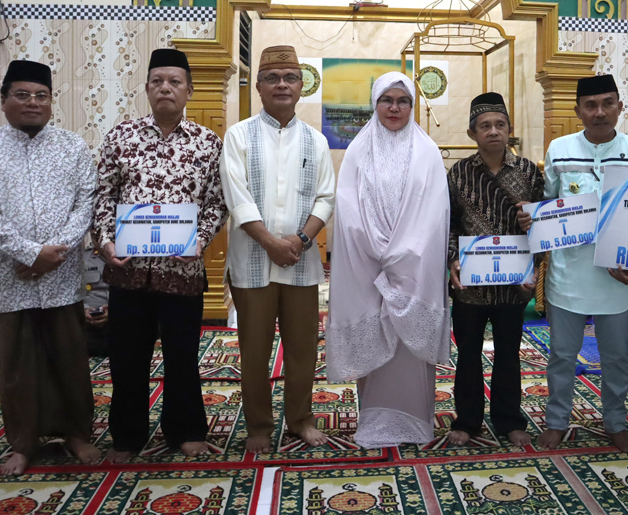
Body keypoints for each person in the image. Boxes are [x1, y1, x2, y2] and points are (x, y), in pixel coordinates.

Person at [0, 59, 99, 475]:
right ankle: (22, 443)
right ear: (3, 101)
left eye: (42, 95)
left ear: (52, 102)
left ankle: (77, 434)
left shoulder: (73, 147)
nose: (33, 103)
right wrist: (29, 253)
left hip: (61, 276)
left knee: (70, 359)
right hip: (8, 278)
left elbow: (86, 202)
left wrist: (53, 253)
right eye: (22, 95)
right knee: (16, 365)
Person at [93, 48, 227, 462]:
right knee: (127, 358)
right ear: (147, 89)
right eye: (157, 81)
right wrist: (105, 242)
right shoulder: (122, 136)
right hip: (128, 272)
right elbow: (102, 197)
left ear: (189, 90)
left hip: (182, 272)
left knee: (183, 358)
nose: (165, 88)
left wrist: (200, 240)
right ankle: (127, 437)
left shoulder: (207, 144)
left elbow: (216, 203)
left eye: (174, 82)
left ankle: (186, 432)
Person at [326, 71, 451, 448]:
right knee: (375, 343)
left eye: (403, 101)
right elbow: (347, 208)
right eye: (387, 100)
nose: (394, 108)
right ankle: (374, 422)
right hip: (367, 263)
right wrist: (376, 248)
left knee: (408, 349)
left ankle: (415, 422)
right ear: (375, 104)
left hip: (413, 264)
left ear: (412, 107)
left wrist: (401, 252)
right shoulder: (359, 150)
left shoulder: (427, 151)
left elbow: (434, 213)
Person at [220, 45, 335, 453]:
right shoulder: (239, 136)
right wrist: (270, 242)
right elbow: (237, 197)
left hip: (301, 263)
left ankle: (300, 419)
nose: (281, 84)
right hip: (252, 260)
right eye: (272, 77)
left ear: (301, 86)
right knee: (254, 348)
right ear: (258, 86)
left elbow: (326, 197)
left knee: (303, 347)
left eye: (289, 77)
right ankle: (259, 426)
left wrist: (301, 240)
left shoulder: (315, 141)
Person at [537, 74, 628, 452]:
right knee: (561, 356)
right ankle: (556, 421)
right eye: (590, 105)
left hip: (617, 280)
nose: (600, 112)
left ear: (621, 106)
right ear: (578, 111)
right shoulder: (559, 149)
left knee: (617, 357)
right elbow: (547, 208)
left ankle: (616, 424)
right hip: (567, 277)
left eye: (608, 103)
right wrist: (533, 219)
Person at [446, 92, 543, 448]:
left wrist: (532, 221)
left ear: (509, 130)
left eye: (500, 125)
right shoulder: (458, 174)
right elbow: (449, 225)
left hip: (512, 285)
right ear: (472, 133)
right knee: (468, 356)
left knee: (508, 353)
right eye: (485, 126)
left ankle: (508, 419)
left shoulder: (529, 172)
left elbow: (544, 226)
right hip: (470, 285)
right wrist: (453, 258)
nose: (493, 132)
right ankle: (467, 420)